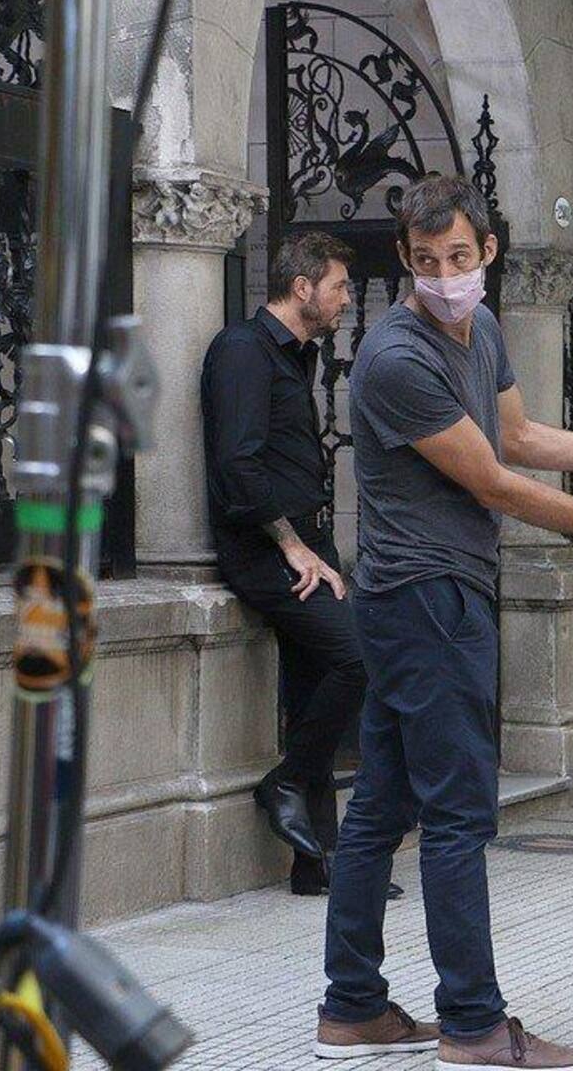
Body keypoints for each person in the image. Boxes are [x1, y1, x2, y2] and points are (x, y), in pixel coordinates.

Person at [313, 174, 573, 1069]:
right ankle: (473, 1025)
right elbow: (493, 483)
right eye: (426, 263)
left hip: (432, 596)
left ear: (488, 252)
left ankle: (352, 1009)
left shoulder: (482, 328)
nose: (445, 275)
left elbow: (522, 439)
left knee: (381, 804)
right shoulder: (395, 359)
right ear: (407, 263)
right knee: (458, 814)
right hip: (424, 600)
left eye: (460, 257)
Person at [201, 232, 371, 896]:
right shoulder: (242, 351)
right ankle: (285, 783)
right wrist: (292, 545)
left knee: (313, 693)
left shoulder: (296, 355)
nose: (346, 300)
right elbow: (236, 466)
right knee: (357, 658)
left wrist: (314, 544)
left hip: (308, 544)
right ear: (303, 287)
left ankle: (317, 866)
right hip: (268, 550)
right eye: (339, 287)